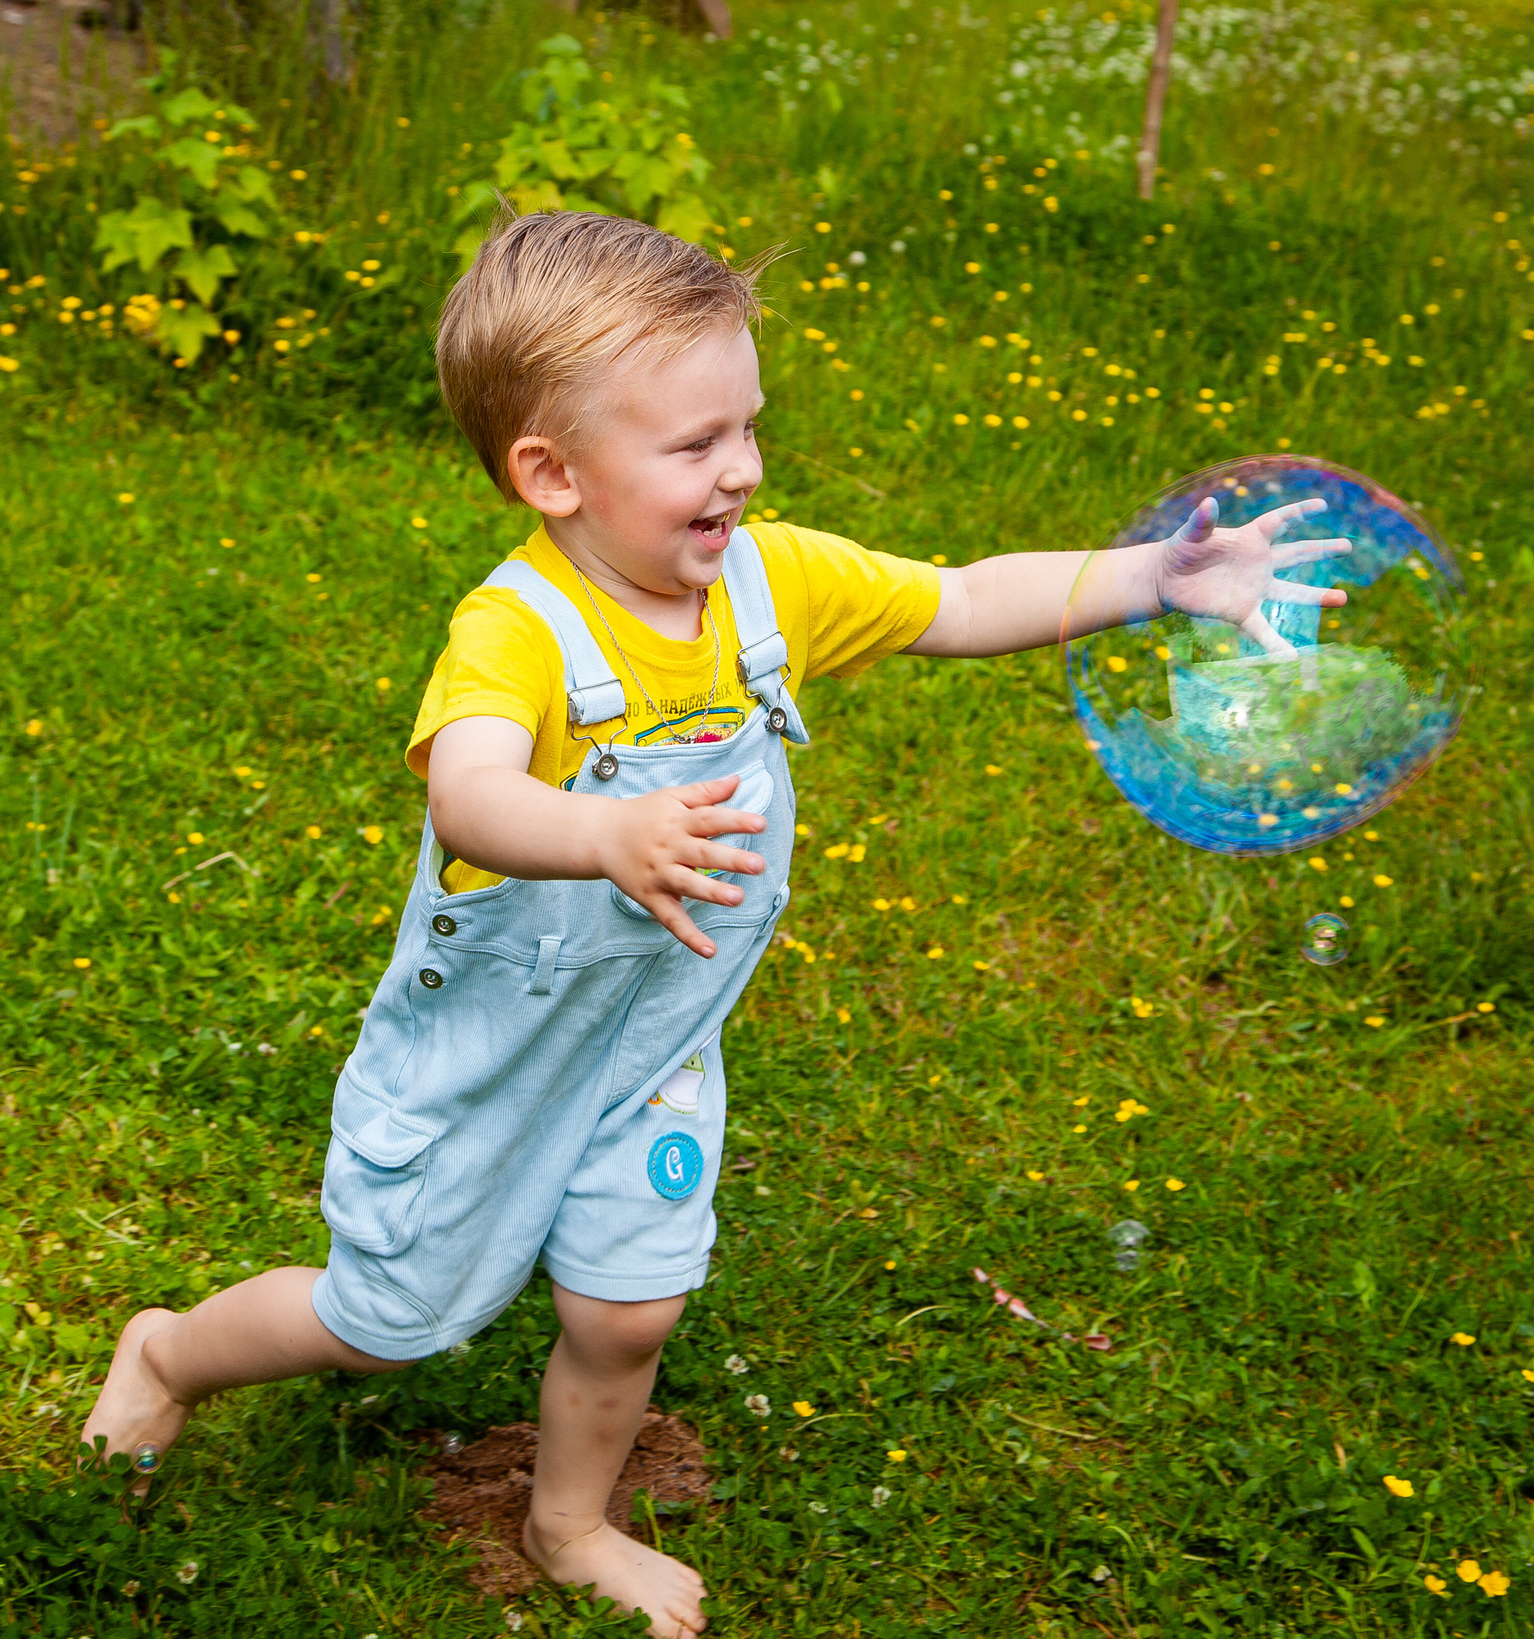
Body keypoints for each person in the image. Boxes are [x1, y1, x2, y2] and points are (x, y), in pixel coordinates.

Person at [79, 209, 1345, 1638]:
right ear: (551, 475)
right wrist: (600, 833)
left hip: (654, 1046)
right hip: (492, 1058)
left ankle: (568, 1521)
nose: (740, 467)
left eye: (748, 426)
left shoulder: (769, 582)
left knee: (630, 1312)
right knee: (388, 1325)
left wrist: (1153, 581)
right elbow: (472, 797)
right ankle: (171, 1355)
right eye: (695, 443)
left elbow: (958, 597)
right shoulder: (518, 630)